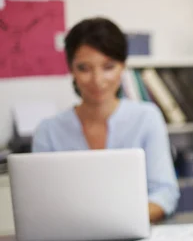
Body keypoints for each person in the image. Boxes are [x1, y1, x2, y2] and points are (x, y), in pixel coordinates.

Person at [32, 17, 180, 223]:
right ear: (71, 69)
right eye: (84, 68)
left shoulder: (147, 117)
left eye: (108, 66)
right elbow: (39, 203)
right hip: (68, 238)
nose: (97, 80)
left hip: (134, 233)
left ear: (123, 67)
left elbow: (164, 192)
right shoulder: (48, 131)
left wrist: (117, 221)